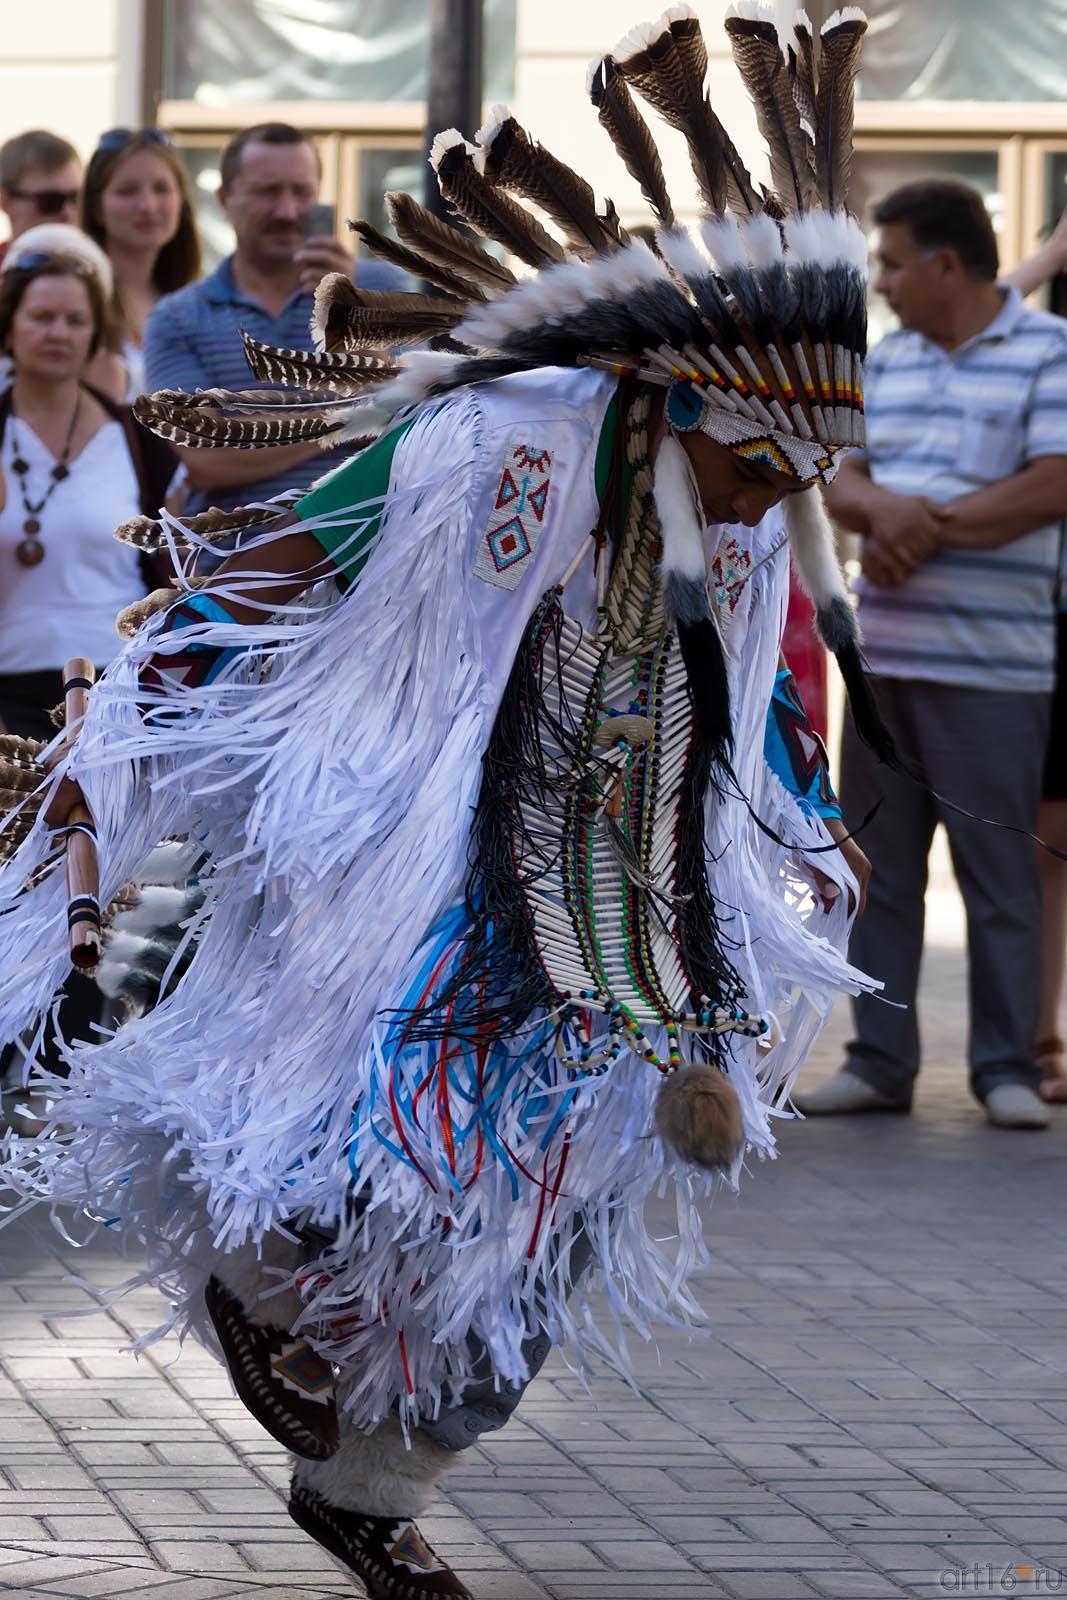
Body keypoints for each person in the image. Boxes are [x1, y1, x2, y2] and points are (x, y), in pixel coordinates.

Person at [0, 9, 879, 1594]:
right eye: (753, 470)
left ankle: (369, 1482)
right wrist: (137, 719)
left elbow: (745, 695)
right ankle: (266, 1300)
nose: (764, 510)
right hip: (405, 880)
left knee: (563, 1200)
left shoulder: (739, 521)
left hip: (621, 907)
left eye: (782, 487)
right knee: (343, 1162)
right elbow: (273, 565)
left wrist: (800, 814)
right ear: (681, 408)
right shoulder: (486, 447)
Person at [796, 179, 1067, 1131]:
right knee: (881, 871)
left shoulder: (1049, 353)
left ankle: (1003, 1069)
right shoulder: (886, 361)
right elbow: (839, 473)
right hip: (881, 663)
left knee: (998, 879)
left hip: (994, 668)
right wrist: (884, 509)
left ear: (946, 264)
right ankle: (878, 1060)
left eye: (892, 263)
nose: (882, 282)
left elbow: (1050, 484)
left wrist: (917, 523)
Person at [0, 232, 175, 1121]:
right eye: (43, 316)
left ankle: (61, 1061)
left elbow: (161, 551)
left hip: (106, 687)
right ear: (12, 325)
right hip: (7, 682)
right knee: (13, 880)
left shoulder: (128, 433)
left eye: (76, 318)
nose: (59, 332)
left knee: (94, 875)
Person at [144, 121, 401, 517]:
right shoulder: (178, 317)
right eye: (267, 192)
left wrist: (348, 317)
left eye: (301, 192)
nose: (287, 211)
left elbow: (409, 420)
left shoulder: (383, 288)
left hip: (363, 560)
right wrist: (345, 417)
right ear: (225, 199)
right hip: (236, 566)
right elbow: (206, 458)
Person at [1005, 213, 1067, 1102]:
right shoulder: (1044, 348)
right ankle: (1042, 1036)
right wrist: (1049, 253)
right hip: (1044, 615)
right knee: (1048, 838)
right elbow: (980, 318)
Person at [80, 128, 202, 403]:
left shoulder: (197, 303)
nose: (147, 205)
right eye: (127, 191)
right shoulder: (80, 299)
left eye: (161, 189)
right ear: (97, 208)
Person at [0, 130, 82, 261]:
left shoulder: (108, 273)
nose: (68, 212)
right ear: (5, 201)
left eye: (77, 198)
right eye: (50, 201)